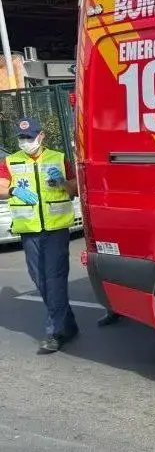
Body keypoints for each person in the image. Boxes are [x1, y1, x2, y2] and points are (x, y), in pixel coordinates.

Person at [0, 118, 81, 353]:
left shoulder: (57, 158)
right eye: (22, 138)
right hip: (29, 231)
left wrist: (62, 182)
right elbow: (1, 186)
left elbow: (76, 188)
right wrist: (14, 190)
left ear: (41, 136)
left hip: (56, 229)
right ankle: (68, 325)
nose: (26, 142)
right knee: (40, 280)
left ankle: (54, 332)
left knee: (54, 279)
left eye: (30, 137)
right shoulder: (11, 161)